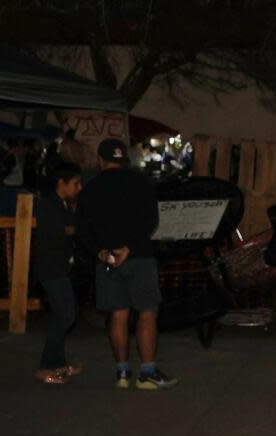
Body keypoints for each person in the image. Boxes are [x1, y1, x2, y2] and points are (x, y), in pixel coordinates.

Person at [77, 138, 178, 390]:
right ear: (126, 159)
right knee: (146, 312)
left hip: (108, 258)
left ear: (101, 160)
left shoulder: (91, 187)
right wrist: (129, 247)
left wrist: (99, 252)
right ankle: (147, 373)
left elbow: (82, 228)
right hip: (139, 256)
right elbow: (150, 220)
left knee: (118, 314)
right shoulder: (141, 181)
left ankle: (122, 373)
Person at [33, 162, 84, 384]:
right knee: (64, 315)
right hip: (50, 267)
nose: (79, 188)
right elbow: (58, 233)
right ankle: (46, 366)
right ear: (61, 183)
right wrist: (77, 229)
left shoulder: (61, 204)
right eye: (75, 183)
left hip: (60, 267)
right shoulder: (47, 204)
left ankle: (59, 363)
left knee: (65, 314)